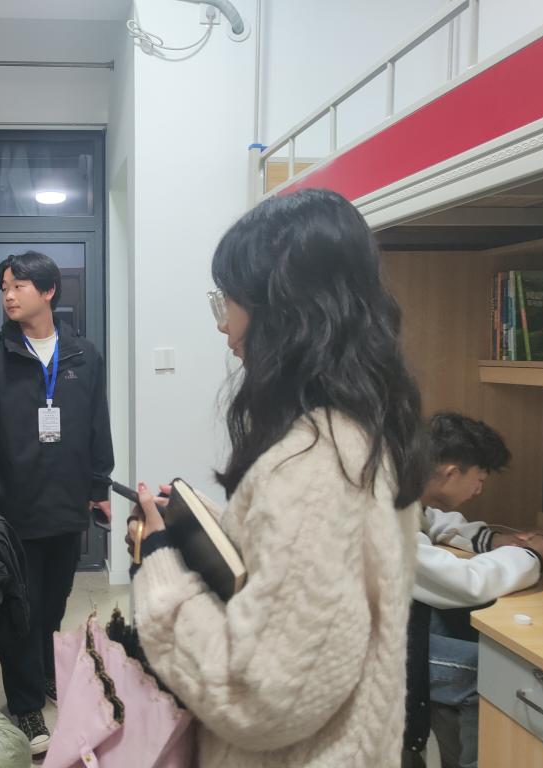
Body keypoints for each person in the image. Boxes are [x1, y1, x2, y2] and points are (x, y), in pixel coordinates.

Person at [126, 188, 428, 767]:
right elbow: (303, 577)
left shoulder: (317, 466)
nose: (225, 330)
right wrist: (207, 527)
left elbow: (257, 696)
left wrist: (159, 565)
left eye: (230, 304)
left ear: (283, 313)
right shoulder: (363, 431)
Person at [0, 250, 114, 754]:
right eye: (4, 286)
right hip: (14, 507)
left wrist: (99, 487)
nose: (8, 295)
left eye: (19, 286)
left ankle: (47, 672)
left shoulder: (83, 355)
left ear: (48, 292)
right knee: (18, 610)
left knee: (53, 601)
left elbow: (97, 423)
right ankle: (25, 703)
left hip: (67, 502)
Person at [404, 411, 543, 768]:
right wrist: (533, 555)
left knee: (469, 635)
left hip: (391, 618)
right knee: (486, 670)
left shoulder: (403, 488)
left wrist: (495, 540)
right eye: (479, 479)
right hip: (367, 646)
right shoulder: (385, 515)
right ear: (450, 473)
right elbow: (467, 583)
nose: (479, 491)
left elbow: (432, 521)